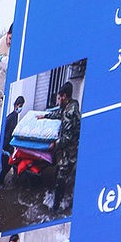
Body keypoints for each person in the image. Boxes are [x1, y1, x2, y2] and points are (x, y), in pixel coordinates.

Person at [41, 80, 80, 211]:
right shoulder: (72, 104)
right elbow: (59, 113)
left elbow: (67, 138)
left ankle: (56, 207)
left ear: (64, 97)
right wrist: (45, 116)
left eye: (59, 98)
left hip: (70, 150)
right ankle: (57, 196)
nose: (58, 101)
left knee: (61, 177)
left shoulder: (70, 113)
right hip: (69, 148)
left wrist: (54, 144)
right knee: (59, 172)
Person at [0, 95, 26, 185]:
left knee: (9, 165)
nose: (21, 108)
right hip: (5, 146)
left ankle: (2, 182)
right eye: (20, 106)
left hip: (9, 146)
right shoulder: (10, 118)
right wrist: (2, 147)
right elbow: (4, 132)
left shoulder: (15, 116)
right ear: (16, 105)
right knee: (6, 166)